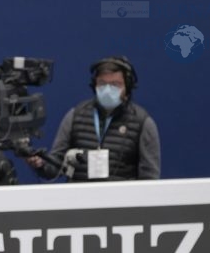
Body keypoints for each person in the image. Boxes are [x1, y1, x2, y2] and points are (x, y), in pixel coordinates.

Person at [26, 55, 161, 181]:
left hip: (122, 202)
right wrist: (41, 165)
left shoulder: (142, 122)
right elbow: (54, 169)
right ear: (94, 85)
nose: (108, 90)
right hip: (79, 200)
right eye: (102, 83)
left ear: (128, 87)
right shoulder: (75, 116)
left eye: (115, 84)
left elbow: (150, 179)